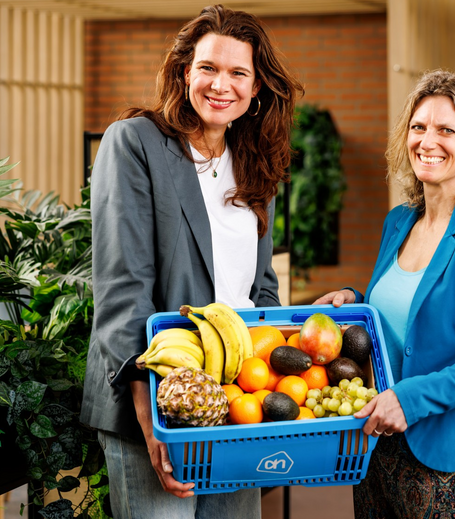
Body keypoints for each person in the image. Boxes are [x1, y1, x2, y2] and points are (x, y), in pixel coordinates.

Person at [80, 5, 304, 519]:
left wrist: (276, 369)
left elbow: (261, 289)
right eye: (208, 67)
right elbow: (123, 288)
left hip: (234, 399)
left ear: (256, 90)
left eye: (238, 73)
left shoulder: (255, 167)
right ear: (185, 74)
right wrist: (149, 413)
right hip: (158, 398)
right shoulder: (135, 143)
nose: (220, 84)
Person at [314, 69, 455, 518]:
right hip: (376, 451)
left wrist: (409, 400)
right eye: (418, 127)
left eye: (446, 130)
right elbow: (403, 315)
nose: (427, 141)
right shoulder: (399, 221)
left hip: (451, 469)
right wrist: (354, 300)